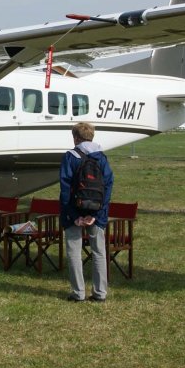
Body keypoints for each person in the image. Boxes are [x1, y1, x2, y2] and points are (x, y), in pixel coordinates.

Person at [59, 122, 114, 302]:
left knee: (74, 252)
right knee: (98, 252)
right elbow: (107, 186)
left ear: (75, 137)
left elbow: (65, 188)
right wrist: (96, 215)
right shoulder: (102, 158)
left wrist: (74, 216)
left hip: (73, 211)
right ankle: (99, 293)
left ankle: (78, 293)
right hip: (97, 212)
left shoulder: (71, 156)